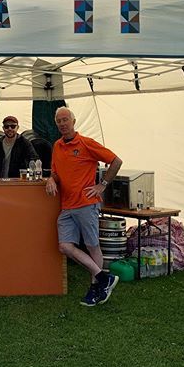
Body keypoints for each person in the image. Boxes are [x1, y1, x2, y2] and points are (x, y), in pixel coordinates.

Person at [45, 107, 123, 307]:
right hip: (67, 206)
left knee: (91, 245)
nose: (62, 124)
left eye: (65, 120)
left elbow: (115, 161)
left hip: (86, 204)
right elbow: (56, 172)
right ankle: (102, 278)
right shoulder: (57, 146)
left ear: (73, 121)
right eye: (59, 121)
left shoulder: (86, 143)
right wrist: (51, 179)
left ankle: (96, 288)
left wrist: (102, 185)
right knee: (65, 246)